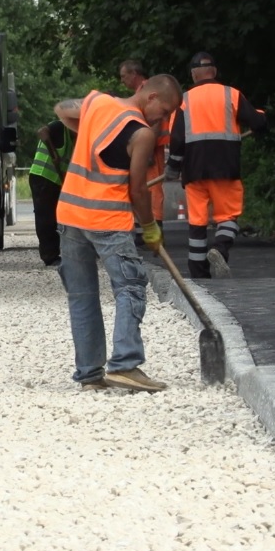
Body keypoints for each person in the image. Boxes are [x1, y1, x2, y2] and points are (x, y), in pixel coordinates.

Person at [54, 74, 183, 392]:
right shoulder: (141, 133)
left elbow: (61, 109)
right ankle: (125, 364)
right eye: (165, 111)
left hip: (71, 215)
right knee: (131, 287)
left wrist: (87, 131)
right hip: (107, 219)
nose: (163, 120)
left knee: (82, 296)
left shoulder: (97, 103)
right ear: (151, 97)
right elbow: (138, 189)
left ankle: (90, 375)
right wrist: (150, 227)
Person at [165, 51, 267, 279]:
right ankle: (220, 248)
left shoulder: (183, 101)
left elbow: (177, 139)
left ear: (193, 74)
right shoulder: (231, 94)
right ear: (215, 71)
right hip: (225, 167)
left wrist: (172, 167)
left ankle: (198, 272)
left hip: (194, 170)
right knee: (228, 216)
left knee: (197, 222)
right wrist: (262, 118)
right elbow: (256, 121)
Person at [118, 60, 169, 240]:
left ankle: (154, 227)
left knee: (151, 187)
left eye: (124, 76)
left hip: (151, 147)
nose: (122, 80)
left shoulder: (147, 91)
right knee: (146, 185)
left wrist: (148, 148)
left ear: (134, 74)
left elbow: (155, 120)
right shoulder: (144, 91)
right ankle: (148, 227)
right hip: (149, 145)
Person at [28, 120, 75, 267]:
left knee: (58, 217)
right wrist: (53, 152)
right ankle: (50, 256)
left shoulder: (74, 140)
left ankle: (64, 252)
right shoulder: (60, 126)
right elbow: (42, 132)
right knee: (46, 217)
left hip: (55, 181)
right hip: (42, 176)